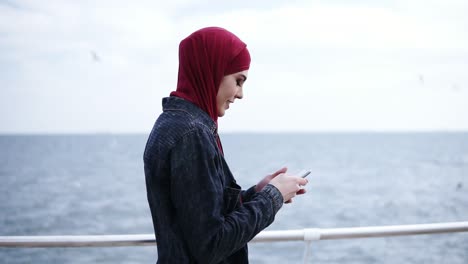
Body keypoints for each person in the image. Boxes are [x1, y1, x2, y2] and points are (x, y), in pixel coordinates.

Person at [143, 27, 309, 264]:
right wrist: (273, 197)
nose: (240, 94)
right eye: (238, 81)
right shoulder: (191, 134)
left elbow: (200, 212)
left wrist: (256, 194)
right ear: (211, 71)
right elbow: (212, 244)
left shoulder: (174, 124)